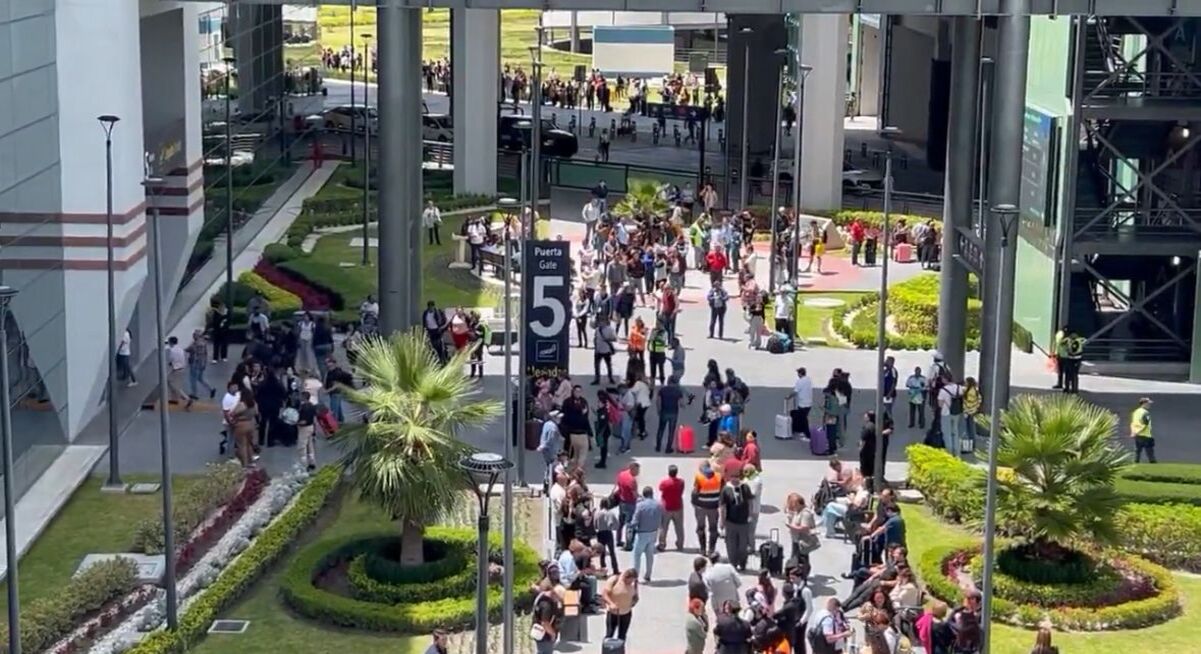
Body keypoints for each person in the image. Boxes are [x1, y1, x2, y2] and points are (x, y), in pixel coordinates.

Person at [720, 466, 755, 571]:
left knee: (743, 545)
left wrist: (750, 514)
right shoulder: (726, 489)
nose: (735, 480)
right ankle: (733, 564)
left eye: (737, 477)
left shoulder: (745, 487)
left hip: (744, 521)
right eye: (733, 477)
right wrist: (722, 521)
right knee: (731, 544)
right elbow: (723, 506)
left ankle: (743, 563)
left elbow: (750, 501)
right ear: (730, 478)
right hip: (731, 521)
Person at [630, 486, 663, 581]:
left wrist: (630, 525)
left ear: (643, 495)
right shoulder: (658, 504)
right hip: (653, 532)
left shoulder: (640, 505)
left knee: (637, 555)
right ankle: (648, 574)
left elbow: (635, 521)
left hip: (642, 534)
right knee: (649, 555)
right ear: (652, 494)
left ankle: (635, 576)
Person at [692, 461, 723, 555]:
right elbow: (722, 491)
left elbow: (695, 492)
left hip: (701, 507)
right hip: (713, 507)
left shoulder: (699, 477)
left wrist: (694, 503)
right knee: (713, 529)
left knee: (700, 528)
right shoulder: (718, 477)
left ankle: (702, 549)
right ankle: (711, 549)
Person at [601, 567, 639, 641]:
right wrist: (611, 603)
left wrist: (633, 602)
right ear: (625, 577)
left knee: (622, 636)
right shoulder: (614, 580)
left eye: (632, 581)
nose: (630, 583)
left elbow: (635, 596)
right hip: (613, 613)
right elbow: (605, 594)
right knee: (609, 635)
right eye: (629, 581)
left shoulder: (634, 584)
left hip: (626, 613)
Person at [784, 492, 820, 566]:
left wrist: (790, 526)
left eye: (793, 505)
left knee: (801, 559)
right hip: (796, 539)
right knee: (795, 558)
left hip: (803, 541)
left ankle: (800, 574)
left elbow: (804, 528)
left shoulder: (805, 513)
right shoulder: (799, 510)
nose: (792, 507)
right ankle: (794, 572)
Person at [531, 579, 564, 654]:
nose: (558, 600)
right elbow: (545, 623)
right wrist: (552, 634)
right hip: (545, 636)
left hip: (539, 632)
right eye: (559, 598)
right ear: (554, 594)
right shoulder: (547, 605)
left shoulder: (541, 596)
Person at [658, 464, 686, 551]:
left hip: (667, 507)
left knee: (664, 527)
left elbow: (660, 489)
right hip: (678, 506)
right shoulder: (681, 482)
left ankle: (662, 544)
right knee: (679, 527)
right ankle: (680, 544)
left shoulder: (664, 483)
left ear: (669, 473)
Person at [229, 387, 259, 468]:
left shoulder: (242, 404)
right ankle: (251, 461)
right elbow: (256, 413)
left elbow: (232, 413)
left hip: (241, 424)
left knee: (242, 445)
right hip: (251, 423)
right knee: (249, 444)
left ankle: (245, 464)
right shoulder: (254, 404)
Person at [787, 367, 814, 439]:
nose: (797, 374)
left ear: (800, 373)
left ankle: (807, 434)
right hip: (809, 403)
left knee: (803, 419)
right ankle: (801, 430)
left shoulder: (799, 382)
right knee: (803, 417)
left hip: (802, 403)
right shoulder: (808, 380)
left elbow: (795, 392)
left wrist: (788, 396)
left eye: (798, 373)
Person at [1131, 397, 1156, 463]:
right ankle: (1153, 463)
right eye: (1148, 403)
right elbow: (1145, 424)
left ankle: (1135, 463)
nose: (1149, 405)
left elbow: (1133, 423)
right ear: (1144, 403)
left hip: (1137, 435)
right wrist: (1138, 431)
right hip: (1145, 435)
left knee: (1137, 451)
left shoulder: (1135, 412)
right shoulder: (1145, 413)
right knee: (1150, 452)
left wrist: (1133, 432)